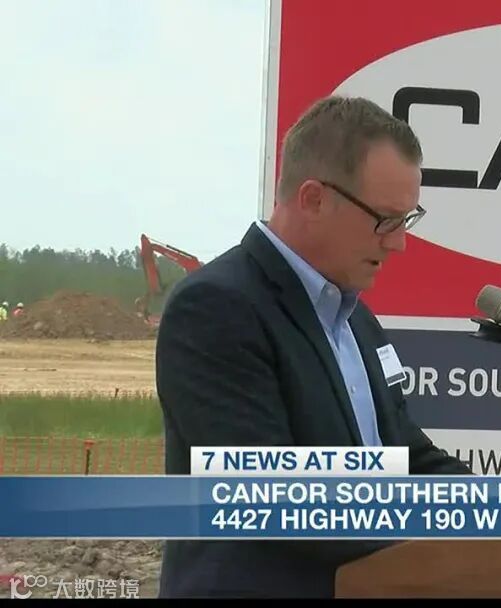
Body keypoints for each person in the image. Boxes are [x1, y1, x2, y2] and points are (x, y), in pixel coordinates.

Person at [154, 95, 472, 598]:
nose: (398, 244)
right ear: (313, 199)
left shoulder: (357, 321)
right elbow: (277, 498)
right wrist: (429, 536)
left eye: (406, 221)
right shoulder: (215, 309)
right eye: (385, 220)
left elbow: (408, 457)